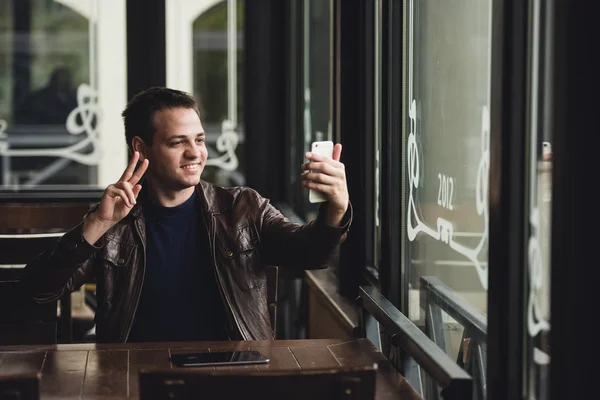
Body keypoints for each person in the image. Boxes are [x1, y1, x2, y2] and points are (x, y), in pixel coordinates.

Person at [21, 87, 351, 343]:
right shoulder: (113, 221)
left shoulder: (243, 208)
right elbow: (37, 291)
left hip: (235, 376)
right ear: (141, 148)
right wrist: (96, 225)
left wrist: (335, 207)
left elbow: (311, 253)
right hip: (133, 378)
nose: (195, 153)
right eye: (178, 142)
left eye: (199, 139)